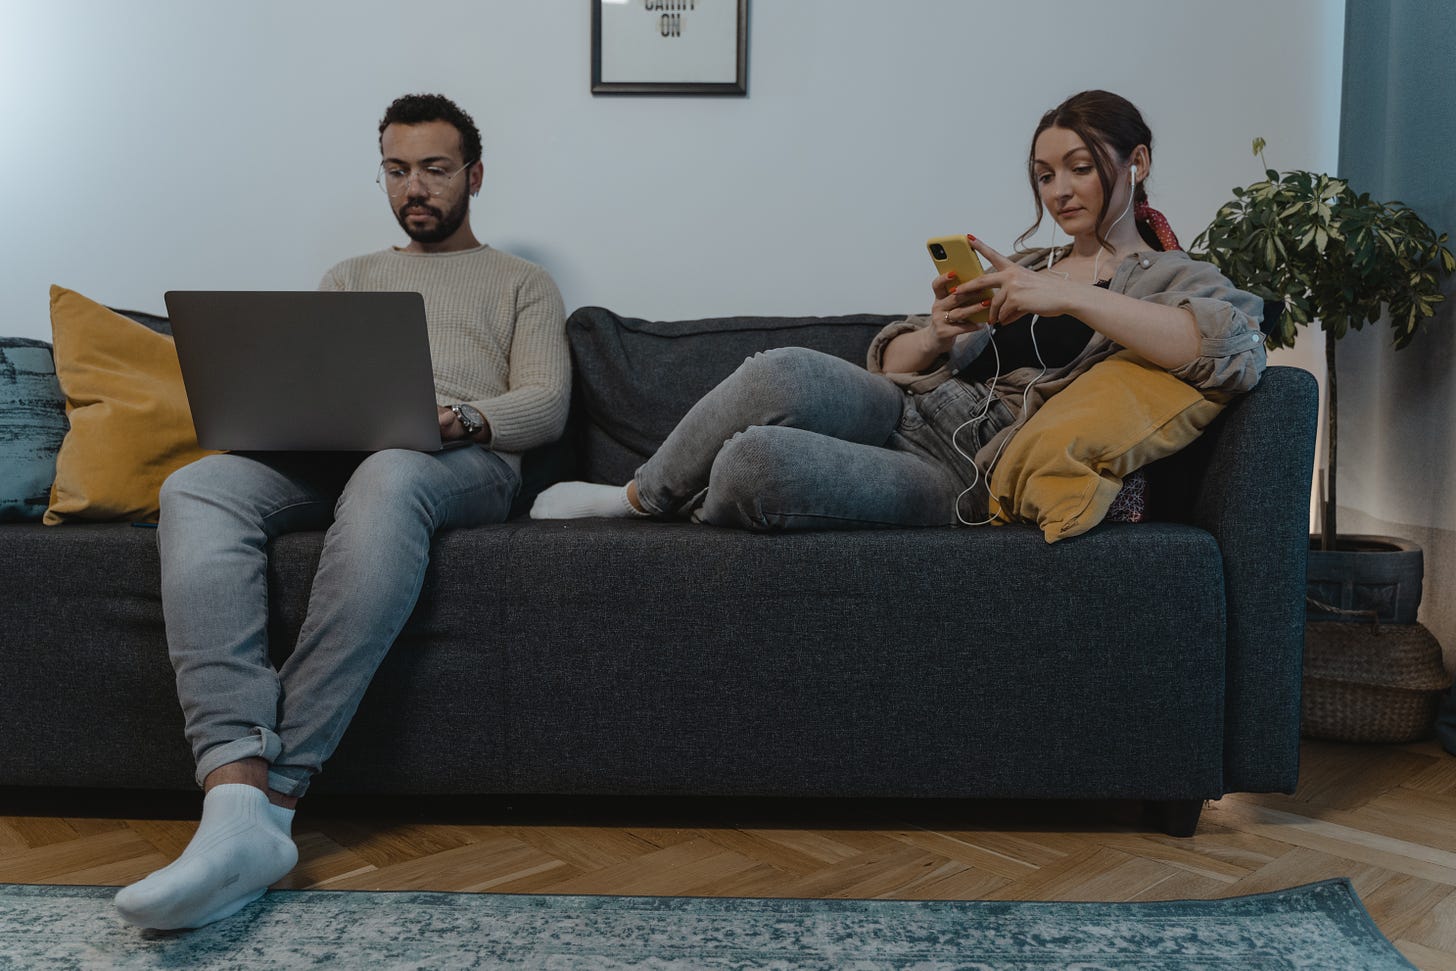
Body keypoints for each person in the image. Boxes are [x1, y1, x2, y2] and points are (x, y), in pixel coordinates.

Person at [115, 93, 570, 930]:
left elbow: (545, 404)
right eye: (397, 171)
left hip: (461, 460)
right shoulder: (351, 276)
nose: (415, 188)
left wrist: (461, 418)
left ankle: (279, 799)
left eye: (434, 169)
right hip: (341, 452)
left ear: (474, 175)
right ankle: (235, 789)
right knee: (195, 486)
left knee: (392, 471)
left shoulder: (522, 283)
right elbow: (312, 383)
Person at [531, 89, 1266, 530]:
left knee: (755, 462)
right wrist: (940, 333)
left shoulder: (1169, 274)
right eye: (1045, 174)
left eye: (1081, 166)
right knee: (781, 370)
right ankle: (636, 496)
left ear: (1136, 162)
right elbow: (888, 360)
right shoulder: (1028, 266)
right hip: (908, 408)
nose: (1060, 190)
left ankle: (692, 499)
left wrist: (1070, 293)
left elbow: (1231, 348)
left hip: (964, 472)